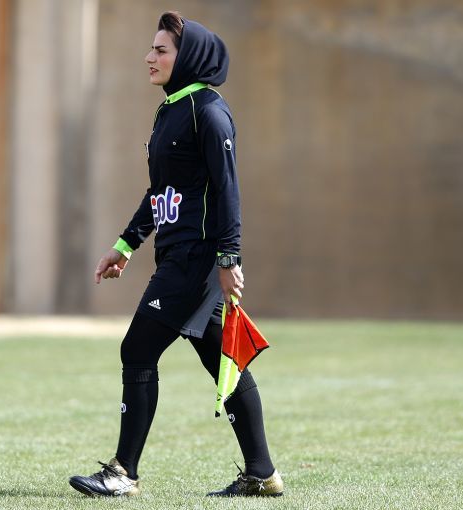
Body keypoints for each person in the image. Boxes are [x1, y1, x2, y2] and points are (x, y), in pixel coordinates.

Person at [68, 11, 283, 498]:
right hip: (177, 255)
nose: (149, 57)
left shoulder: (209, 111)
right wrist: (125, 245)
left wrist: (229, 259)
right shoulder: (170, 110)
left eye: (161, 50)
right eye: (151, 48)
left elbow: (227, 190)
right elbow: (160, 192)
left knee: (138, 349)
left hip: (196, 259)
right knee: (222, 360)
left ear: (188, 58)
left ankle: (123, 472)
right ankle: (262, 473)